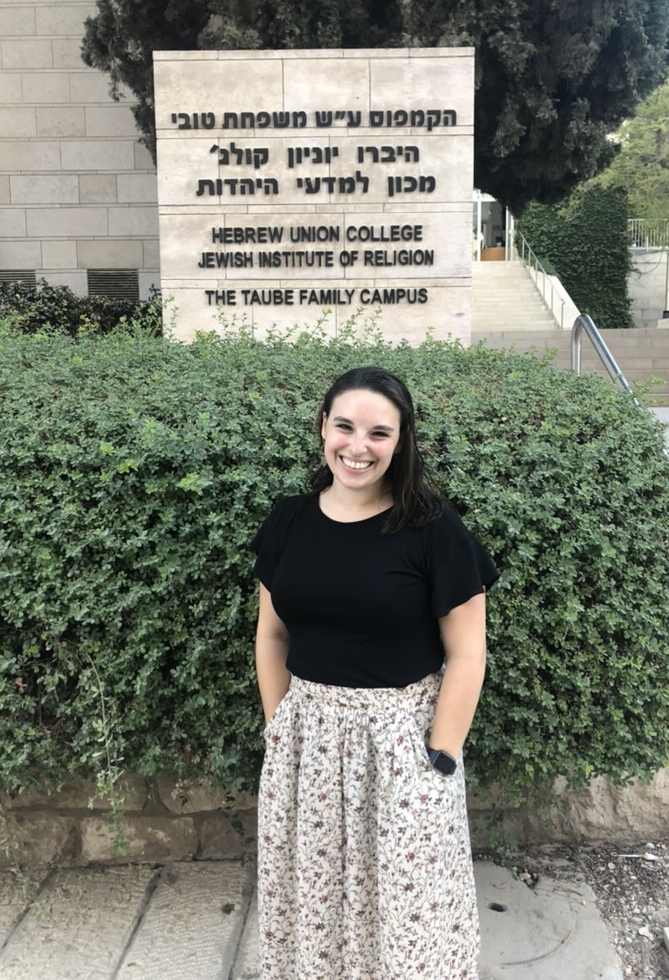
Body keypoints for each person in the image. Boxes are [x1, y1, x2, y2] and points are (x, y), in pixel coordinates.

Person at [252, 366, 498, 980]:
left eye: (378, 433)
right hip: (306, 744)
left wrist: (439, 756)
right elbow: (272, 632)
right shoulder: (288, 521)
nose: (358, 447)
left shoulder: (433, 531)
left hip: (401, 744)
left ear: (401, 441)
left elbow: (468, 651)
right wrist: (279, 725)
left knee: (407, 908)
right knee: (313, 898)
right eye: (345, 427)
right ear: (323, 429)